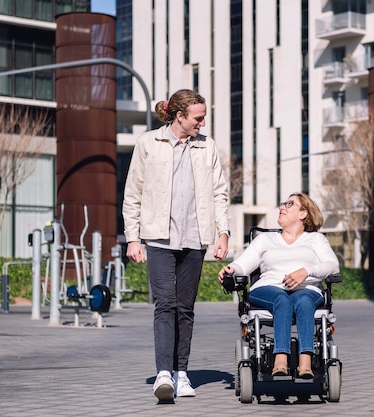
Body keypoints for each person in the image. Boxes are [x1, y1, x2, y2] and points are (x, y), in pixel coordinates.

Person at [123, 89, 231, 401]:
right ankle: (163, 374)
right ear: (179, 116)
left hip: (195, 238)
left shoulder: (206, 146)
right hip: (158, 237)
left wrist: (222, 232)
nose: (203, 121)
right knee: (165, 304)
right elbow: (133, 193)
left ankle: (182, 373)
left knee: (185, 308)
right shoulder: (148, 143)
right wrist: (133, 237)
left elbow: (219, 193)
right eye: (199, 117)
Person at [218, 192, 339, 379]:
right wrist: (231, 269)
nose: (282, 207)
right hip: (269, 288)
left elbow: (332, 265)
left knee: (304, 301)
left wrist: (306, 271)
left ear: (303, 213)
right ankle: (280, 358)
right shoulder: (265, 240)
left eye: (290, 204)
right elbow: (243, 264)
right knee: (282, 300)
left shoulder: (316, 240)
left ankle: (305, 360)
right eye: (283, 203)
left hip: (306, 288)